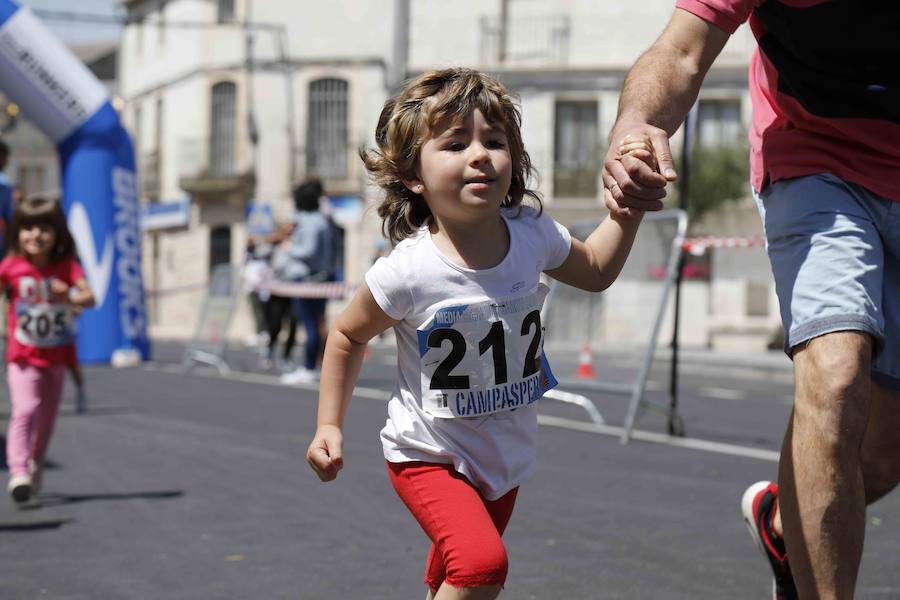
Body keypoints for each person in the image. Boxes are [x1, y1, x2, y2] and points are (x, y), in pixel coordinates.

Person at [306, 68, 649, 600]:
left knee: (452, 577)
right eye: (455, 143)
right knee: (481, 566)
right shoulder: (408, 270)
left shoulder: (532, 234)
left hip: (504, 456)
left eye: (494, 141)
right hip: (427, 455)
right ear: (413, 175)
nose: (480, 154)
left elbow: (597, 269)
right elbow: (347, 335)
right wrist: (329, 424)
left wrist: (625, 213)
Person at [602, 3, 900, 599]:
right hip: (816, 157)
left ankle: (785, 523)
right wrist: (636, 126)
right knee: (838, 376)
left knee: (883, 456)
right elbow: (681, 51)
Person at [2, 197, 94, 504]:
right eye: (27, 228)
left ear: (57, 234)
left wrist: (68, 293)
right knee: (25, 409)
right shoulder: (12, 266)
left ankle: (35, 462)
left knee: (46, 421)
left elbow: (90, 298)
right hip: (22, 355)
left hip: (55, 358)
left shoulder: (68, 267)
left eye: (43, 228)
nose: (35, 236)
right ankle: (18, 470)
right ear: (18, 233)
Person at [278, 179, 335, 385]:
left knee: (310, 325)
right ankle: (316, 366)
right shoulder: (320, 220)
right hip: (318, 277)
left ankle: (309, 367)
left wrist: (288, 248)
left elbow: (308, 250)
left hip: (308, 278)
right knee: (317, 324)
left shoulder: (311, 222)